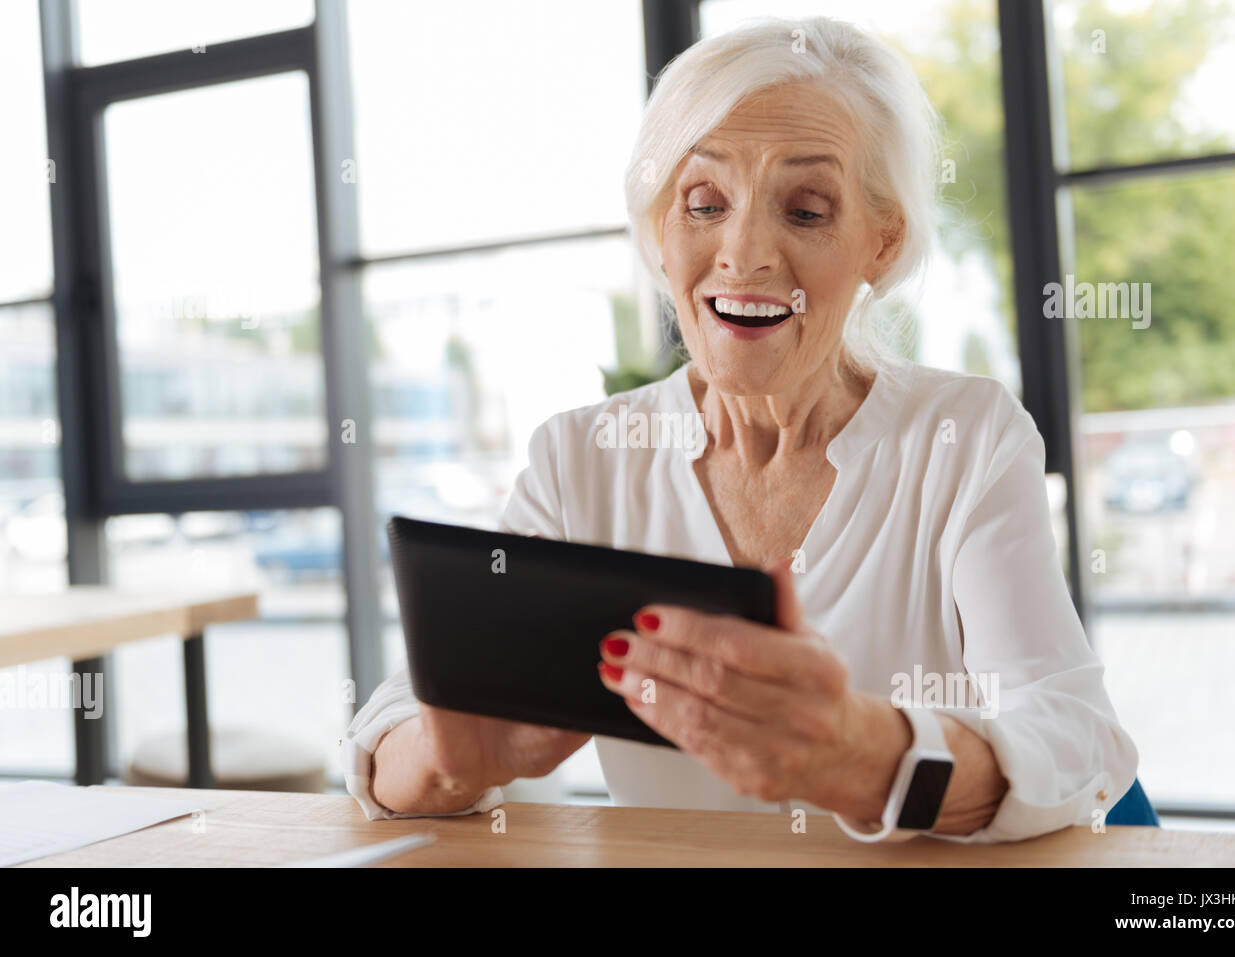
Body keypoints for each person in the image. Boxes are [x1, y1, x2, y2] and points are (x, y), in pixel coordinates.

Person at [340, 16, 1138, 843]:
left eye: (805, 209)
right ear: (661, 228)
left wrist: (864, 754)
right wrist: (453, 755)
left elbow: (1078, 740)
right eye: (704, 203)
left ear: (883, 239)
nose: (745, 252)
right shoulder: (580, 460)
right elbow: (389, 732)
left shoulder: (966, 439)